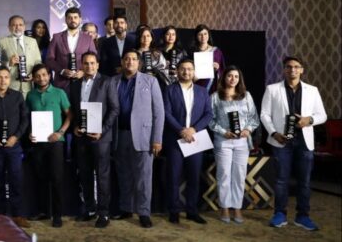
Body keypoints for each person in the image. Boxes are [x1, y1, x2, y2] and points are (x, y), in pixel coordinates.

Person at [261, 56, 327, 231]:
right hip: (281, 140)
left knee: (304, 181)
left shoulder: (312, 90)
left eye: (297, 67)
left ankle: (303, 216)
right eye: (289, 66)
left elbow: (322, 115)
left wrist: (308, 120)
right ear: (284, 69)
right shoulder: (272, 89)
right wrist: (274, 133)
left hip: (305, 141)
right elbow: (264, 114)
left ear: (302, 70)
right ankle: (279, 214)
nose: (293, 70)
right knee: (281, 180)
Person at [108, 49, 164, 228]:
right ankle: (126, 208)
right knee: (123, 175)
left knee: (143, 178)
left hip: (143, 137)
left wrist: (157, 139)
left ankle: (144, 212)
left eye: (133, 59)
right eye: (126, 59)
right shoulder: (113, 81)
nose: (130, 62)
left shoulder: (151, 81)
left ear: (139, 63)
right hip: (119, 135)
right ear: (122, 62)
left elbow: (159, 112)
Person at [69, 51, 117, 228]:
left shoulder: (107, 82)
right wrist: (75, 126)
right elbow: (74, 110)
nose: (89, 66)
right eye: (86, 63)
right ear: (81, 65)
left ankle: (103, 213)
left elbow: (114, 109)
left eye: (92, 63)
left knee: (102, 175)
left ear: (97, 65)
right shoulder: (75, 84)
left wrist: (102, 131)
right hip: (81, 137)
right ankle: (89, 209)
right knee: (85, 174)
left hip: (100, 138)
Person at [163, 59, 213, 225]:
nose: (186, 72)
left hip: (195, 139)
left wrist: (193, 129)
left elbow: (208, 114)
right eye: (183, 69)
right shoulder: (169, 90)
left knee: (194, 177)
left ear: (194, 72)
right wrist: (181, 130)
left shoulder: (202, 91)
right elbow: (166, 113)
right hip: (175, 139)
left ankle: (192, 211)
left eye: (190, 69)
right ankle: (174, 211)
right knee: (173, 177)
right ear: (177, 71)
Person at [209, 66, 259, 224]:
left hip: (242, 142)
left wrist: (248, 129)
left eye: (236, 76)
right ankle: (224, 207)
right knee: (224, 174)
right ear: (224, 77)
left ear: (240, 79)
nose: (233, 79)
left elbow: (254, 118)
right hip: (223, 141)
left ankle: (237, 207)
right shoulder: (215, 97)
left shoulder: (246, 95)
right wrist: (223, 132)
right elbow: (210, 119)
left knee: (239, 175)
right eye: (230, 76)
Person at [26, 63, 70, 227]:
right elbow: (28, 118)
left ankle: (57, 215)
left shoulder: (59, 93)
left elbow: (69, 115)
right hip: (38, 143)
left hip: (56, 142)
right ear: (33, 78)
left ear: (49, 76)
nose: (41, 78)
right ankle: (44, 211)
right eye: (37, 76)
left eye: (44, 75)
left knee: (57, 178)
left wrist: (60, 132)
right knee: (40, 178)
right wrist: (30, 133)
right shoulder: (30, 95)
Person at [0, 66, 29, 227]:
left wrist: (16, 137)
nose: (3, 80)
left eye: (6, 77)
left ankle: (18, 215)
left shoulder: (17, 96)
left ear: (10, 79)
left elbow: (25, 120)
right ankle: (1, 217)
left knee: (16, 180)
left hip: (14, 147)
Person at [46, 7, 97, 90]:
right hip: (61, 83)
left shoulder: (88, 38)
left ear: (80, 19)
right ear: (66, 20)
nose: (73, 20)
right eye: (70, 18)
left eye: (75, 17)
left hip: (83, 82)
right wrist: (62, 71)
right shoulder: (56, 37)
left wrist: (83, 72)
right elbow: (49, 59)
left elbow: (94, 59)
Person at [0, 15, 43, 97]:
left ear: (24, 27)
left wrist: (34, 74)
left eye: (20, 25)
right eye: (14, 25)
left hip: (28, 86)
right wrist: (9, 64)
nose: (17, 27)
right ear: (9, 27)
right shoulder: (2, 42)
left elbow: (38, 61)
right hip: (9, 86)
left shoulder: (32, 41)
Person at [190, 24, 225, 93]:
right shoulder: (191, 52)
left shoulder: (216, 51)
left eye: (205, 34)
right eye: (200, 34)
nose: (203, 37)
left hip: (212, 86)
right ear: (196, 36)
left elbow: (222, 70)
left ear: (208, 35)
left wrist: (217, 69)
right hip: (196, 84)